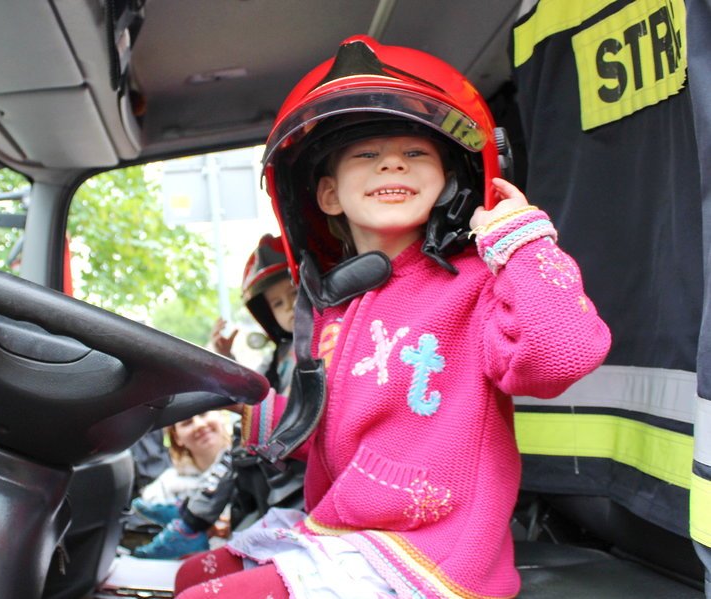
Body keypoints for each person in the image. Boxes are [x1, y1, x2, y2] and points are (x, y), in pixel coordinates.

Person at [173, 35, 611, 599]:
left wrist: (519, 241)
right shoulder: (341, 306)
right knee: (194, 574)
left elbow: (562, 356)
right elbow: (336, 430)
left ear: (450, 181)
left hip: (432, 550)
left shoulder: (477, 282)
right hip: (350, 529)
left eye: (416, 152)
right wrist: (244, 405)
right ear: (328, 194)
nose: (391, 161)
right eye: (365, 153)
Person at [132, 236, 297, 559]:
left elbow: (268, 404)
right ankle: (190, 517)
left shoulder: (316, 346)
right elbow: (257, 388)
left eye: (293, 295)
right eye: (277, 304)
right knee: (240, 438)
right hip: (276, 452)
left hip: (291, 461)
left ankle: (190, 522)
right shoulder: (282, 352)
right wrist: (226, 357)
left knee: (243, 442)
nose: (289, 308)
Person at [129, 411, 233, 558]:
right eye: (187, 422)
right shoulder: (166, 485)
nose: (199, 425)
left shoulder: (249, 462)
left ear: (221, 416)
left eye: (203, 414)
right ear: (177, 437)